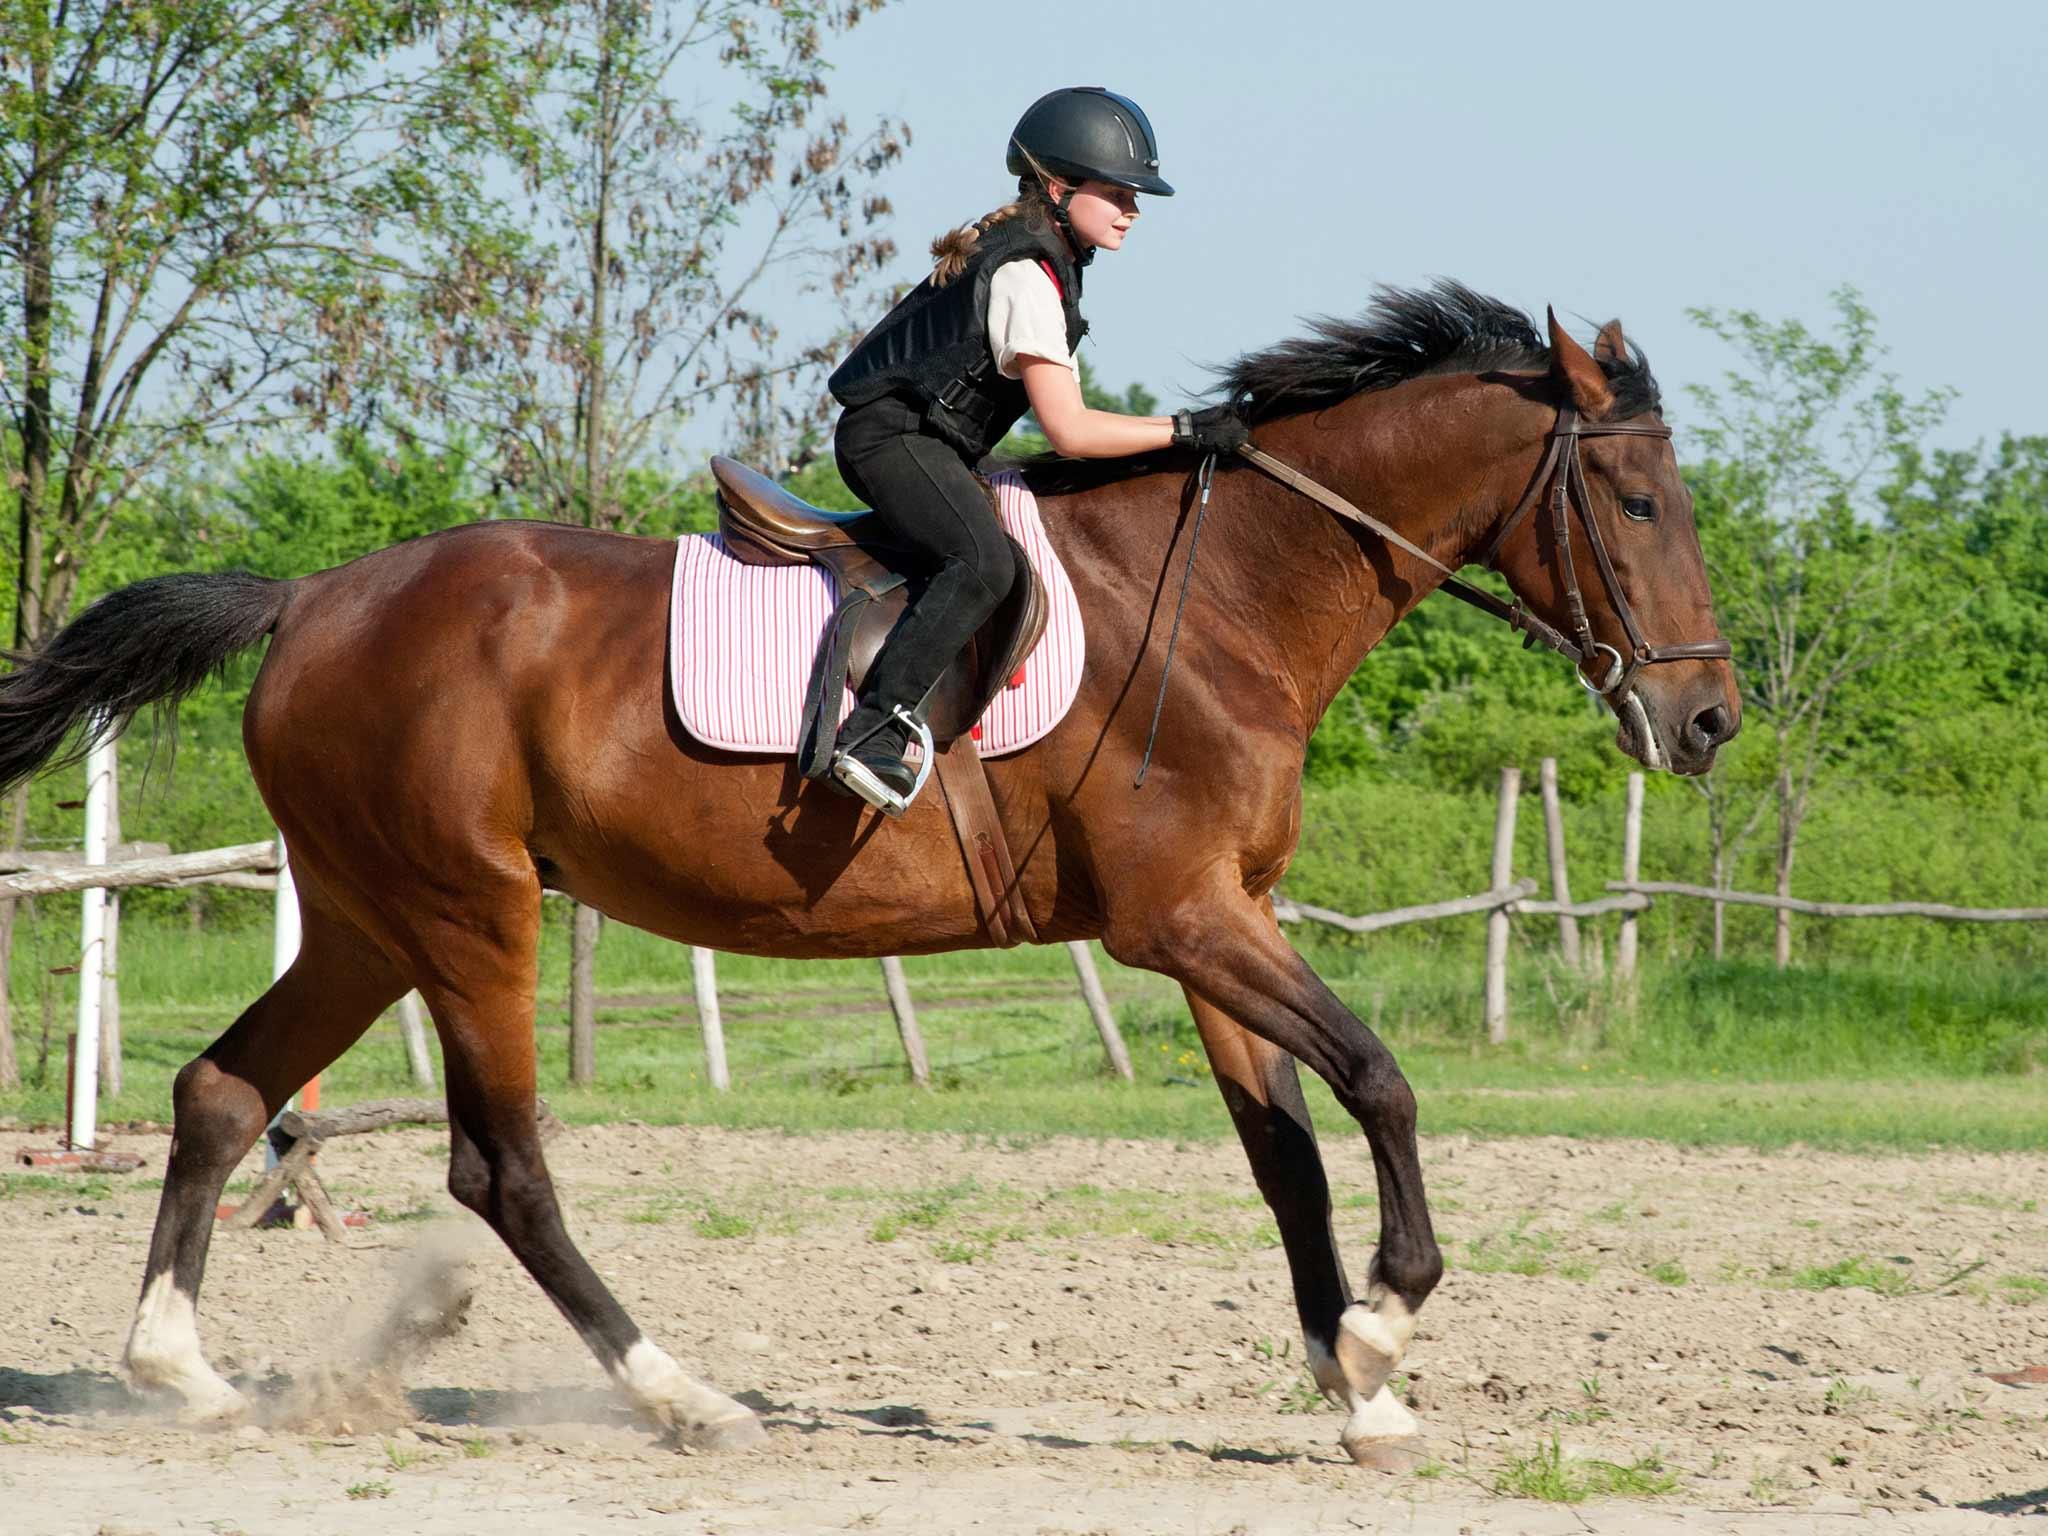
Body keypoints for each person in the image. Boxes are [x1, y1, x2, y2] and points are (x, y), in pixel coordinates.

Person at [824, 85, 1248, 811]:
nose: (1133, 210)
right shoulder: (1026, 275)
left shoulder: (1048, 261)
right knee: (982, 561)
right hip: (889, 440)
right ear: (1059, 188)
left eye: (1134, 196)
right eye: (1117, 193)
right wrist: (1183, 430)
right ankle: (872, 732)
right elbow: (1072, 432)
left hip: (928, 440)